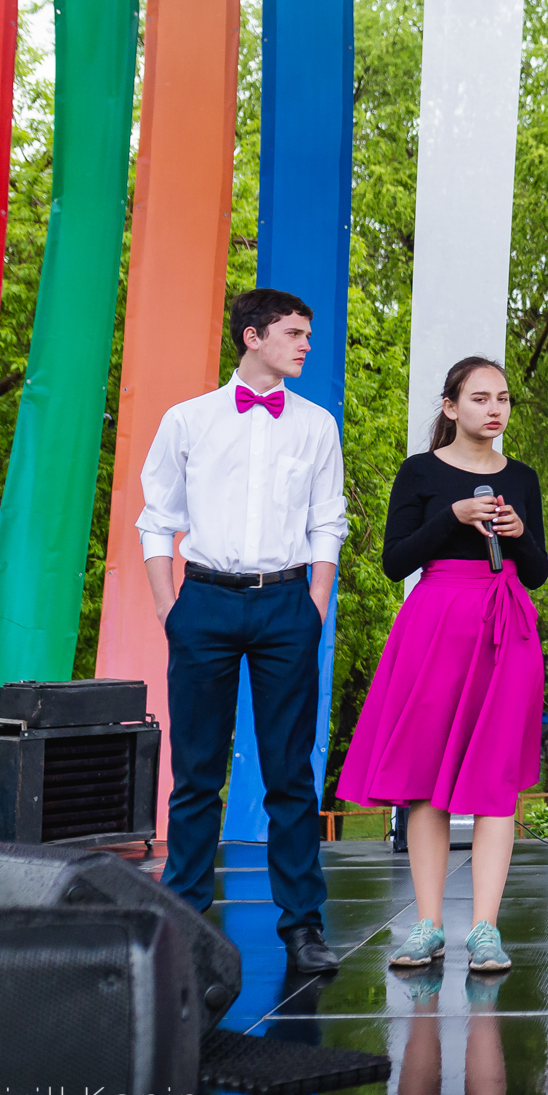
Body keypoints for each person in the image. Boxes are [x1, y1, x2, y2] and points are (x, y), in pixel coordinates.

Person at [138, 288, 348, 974]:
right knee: (196, 774)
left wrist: (315, 604)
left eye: (308, 334)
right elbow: (157, 518)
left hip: (287, 605)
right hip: (204, 603)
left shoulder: (316, 425)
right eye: (294, 333)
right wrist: (170, 607)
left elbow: (328, 520)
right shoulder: (188, 420)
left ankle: (303, 925)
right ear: (252, 336)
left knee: (291, 774)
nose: (306, 344)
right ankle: (184, 923)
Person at [337, 357, 548, 973]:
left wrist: (519, 533)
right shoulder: (421, 471)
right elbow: (395, 561)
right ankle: (427, 925)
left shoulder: (523, 477)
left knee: (495, 781)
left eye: (502, 398)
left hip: (505, 629)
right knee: (424, 780)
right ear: (452, 407)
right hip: (435, 626)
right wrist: (451, 516)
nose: (495, 408)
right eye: (480, 398)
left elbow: (538, 572)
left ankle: (485, 929)